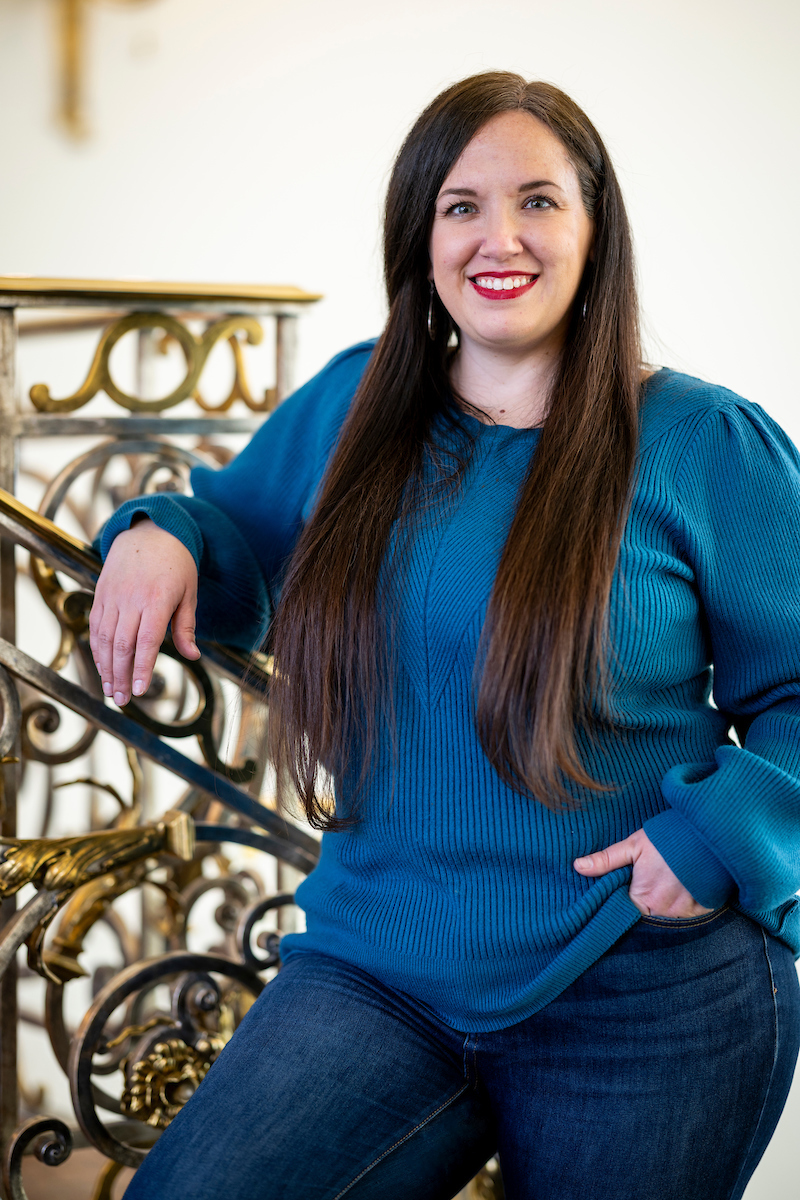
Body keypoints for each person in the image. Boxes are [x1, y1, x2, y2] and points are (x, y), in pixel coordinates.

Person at [91, 73, 800, 1200]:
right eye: (459, 206)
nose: (497, 237)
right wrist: (159, 530)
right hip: (376, 965)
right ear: (418, 233)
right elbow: (230, 526)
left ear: (593, 226)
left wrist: (719, 836)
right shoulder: (355, 402)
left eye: (536, 200)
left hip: (640, 977)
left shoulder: (703, 442)